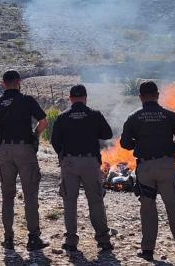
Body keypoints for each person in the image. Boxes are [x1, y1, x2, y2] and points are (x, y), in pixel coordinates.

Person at [120, 80, 175, 262]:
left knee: (147, 209)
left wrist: (136, 144)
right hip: (167, 166)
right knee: (174, 208)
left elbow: (125, 143)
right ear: (157, 95)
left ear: (140, 97)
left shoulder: (134, 116)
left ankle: (147, 251)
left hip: (145, 168)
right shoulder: (169, 115)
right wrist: (171, 149)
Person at [0, 70, 49, 251]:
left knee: (7, 196)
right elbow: (43, 122)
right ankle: (33, 238)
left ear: (3, 83)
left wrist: (3, 135)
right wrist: (34, 135)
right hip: (25, 149)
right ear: (19, 82)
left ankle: (8, 239)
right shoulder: (27, 100)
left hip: (5, 150)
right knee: (30, 195)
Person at [51, 84, 114, 252]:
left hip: (69, 163)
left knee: (69, 201)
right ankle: (103, 240)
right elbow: (107, 134)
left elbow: (54, 141)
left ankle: (71, 241)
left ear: (70, 99)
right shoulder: (94, 115)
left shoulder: (63, 117)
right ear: (85, 98)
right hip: (90, 163)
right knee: (95, 201)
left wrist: (63, 156)